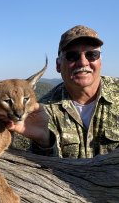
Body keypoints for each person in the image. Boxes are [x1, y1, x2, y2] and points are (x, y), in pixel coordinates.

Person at [8, 25, 119, 158]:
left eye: (92, 55)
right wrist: (44, 141)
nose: (83, 62)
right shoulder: (42, 111)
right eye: (72, 56)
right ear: (58, 65)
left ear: (100, 61)